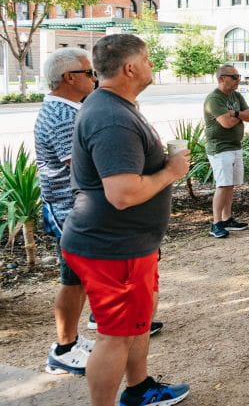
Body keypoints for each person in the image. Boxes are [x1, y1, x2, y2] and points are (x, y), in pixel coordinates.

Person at [59, 34, 190, 406]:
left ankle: (139, 387)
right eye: (147, 60)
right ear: (130, 67)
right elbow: (123, 194)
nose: (152, 66)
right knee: (114, 335)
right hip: (113, 249)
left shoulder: (116, 106)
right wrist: (172, 171)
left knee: (137, 322)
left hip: (129, 245)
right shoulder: (112, 116)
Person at [35, 48, 97, 375]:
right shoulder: (63, 116)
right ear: (69, 78)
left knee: (79, 278)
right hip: (67, 208)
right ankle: (63, 348)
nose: (94, 78)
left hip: (72, 206)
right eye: (89, 73)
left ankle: (72, 339)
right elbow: (80, 168)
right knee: (72, 279)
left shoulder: (70, 109)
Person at [203, 64, 249, 238]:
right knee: (223, 184)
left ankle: (227, 218)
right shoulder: (214, 99)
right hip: (219, 147)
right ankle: (215, 223)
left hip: (234, 146)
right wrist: (237, 116)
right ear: (221, 78)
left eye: (238, 76)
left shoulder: (236, 95)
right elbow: (225, 123)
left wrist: (235, 113)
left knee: (230, 184)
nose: (238, 79)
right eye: (234, 76)